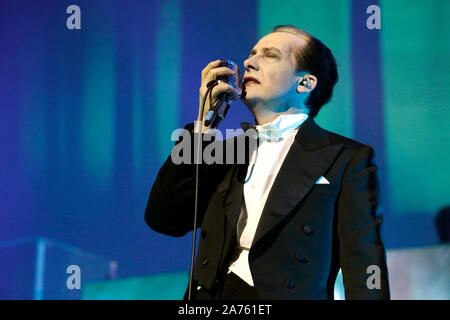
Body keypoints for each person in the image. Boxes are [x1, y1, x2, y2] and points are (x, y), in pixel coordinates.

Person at [145, 25, 390, 300]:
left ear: (305, 83)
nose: (249, 62)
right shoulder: (226, 152)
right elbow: (163, 218)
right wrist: (205, 124)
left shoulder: (345, 156)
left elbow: (364, 262)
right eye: (251, 54)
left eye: (270, 55)